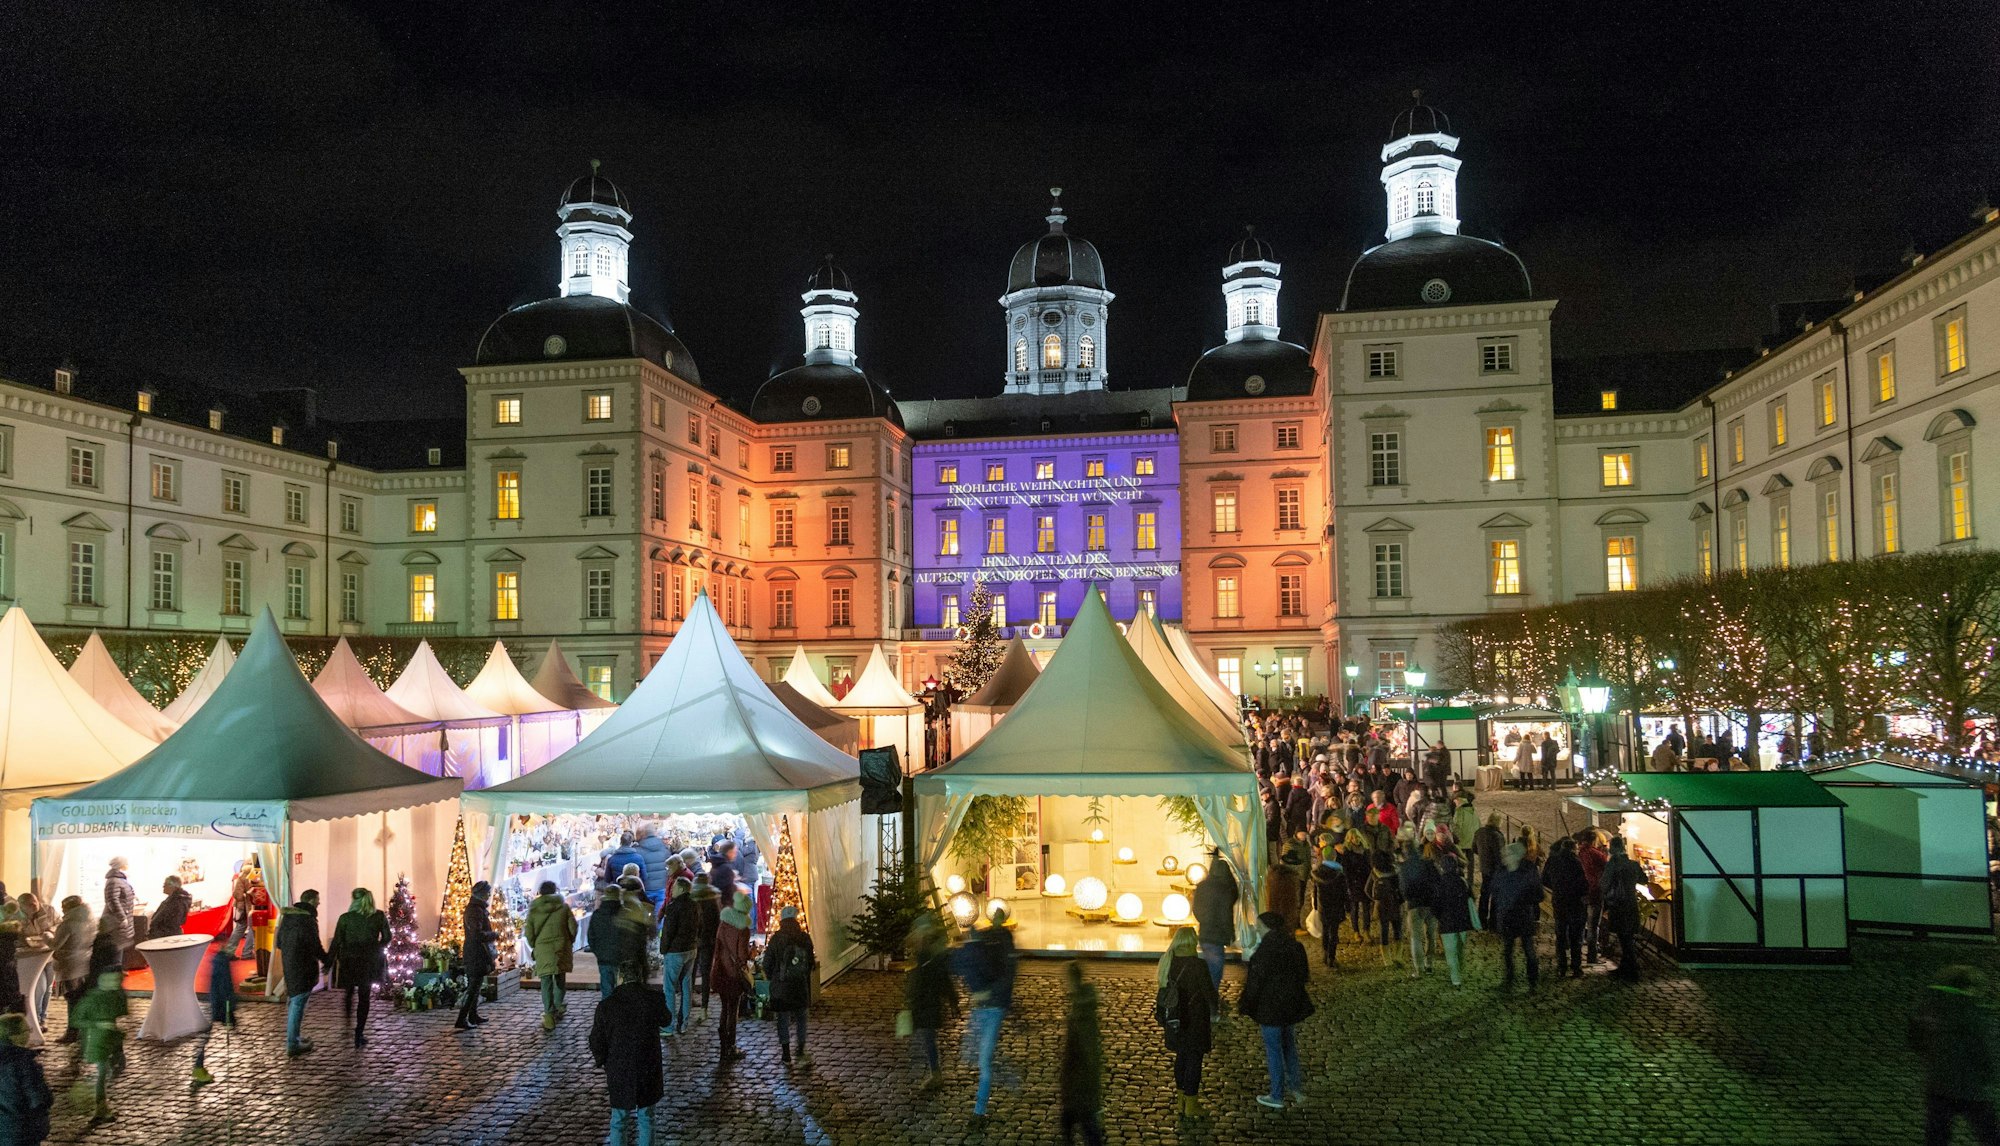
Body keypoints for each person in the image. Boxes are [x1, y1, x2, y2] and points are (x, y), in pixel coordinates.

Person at [1909, 964, 2000, 1145]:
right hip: (1971, 1088)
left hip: (1938, 1085)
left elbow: (1915, 1039)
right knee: (1990, 1134)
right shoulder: (1974, 1015)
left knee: (1937, 1136)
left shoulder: (1929, 1009)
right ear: (1969, 988)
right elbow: (1985, 1050)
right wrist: (1988, 1076)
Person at [1239, 910, 1313, 1111]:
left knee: (1274, 1050)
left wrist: (1246, 1005)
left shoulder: (1264, 952)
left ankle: (1277, 1095)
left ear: (1266, 927)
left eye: (1259, 926)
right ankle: (1296, 1089)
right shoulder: (1294, 946)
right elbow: (1304, 975)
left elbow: (1255, 983)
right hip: (1290, 1006)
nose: (1256, 929)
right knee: (1289, 1047)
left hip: (1270, 1008)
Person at [590, 964, 669, 1146]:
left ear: (620, 978)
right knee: (647, 1117)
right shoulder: (653, 999)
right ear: (639, 977)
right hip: (648, 1066)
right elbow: (667, 1020)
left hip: (619, 1068)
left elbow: (596, 1040)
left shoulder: (607, 1006)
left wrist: (603, 1061)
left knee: (619, 1119)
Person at [955, 905, 1018, 1125]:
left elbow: (1006, 973)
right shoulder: (996, 939)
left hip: (992, 1007)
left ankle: (979, 1110)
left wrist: (989, 992)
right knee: (974, 1055)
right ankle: (995, 1073)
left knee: (982, 1059)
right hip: (987, 1005)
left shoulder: (998, 940)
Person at [1155, 926, 1218, 1120]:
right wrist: (1216, 1009)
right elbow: (1209, 993)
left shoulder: (1168, 961)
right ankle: (1191, 1104)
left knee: (1181, 1057)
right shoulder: (1198, 965)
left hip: (1175, 1021)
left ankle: (1181, 1101)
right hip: (1195, 1021)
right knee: (1194, 1060)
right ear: (1192, 942)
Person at [329, 887, 389, 1047]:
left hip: (349, 959)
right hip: (369, 960)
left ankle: (347, 1022)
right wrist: (376, 947)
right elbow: (387, 937)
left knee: (349, 993)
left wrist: (328, 961)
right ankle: (359, 1032)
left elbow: (337, 941)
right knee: (364, 996)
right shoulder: (378, 916)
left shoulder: (345, 918)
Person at [903, 914, 957, 1090]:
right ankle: (934, 1072)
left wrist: (953, 1001)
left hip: (927, 1004)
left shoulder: (929, 956)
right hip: (923, 1003)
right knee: (926, 1040)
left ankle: (935, 1074)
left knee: (927, 1039)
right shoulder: (925, 954)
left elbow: (941, 979)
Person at [275, 888, 329, 1055]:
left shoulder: (288, 918)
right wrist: (327, 960)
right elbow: (315, 946)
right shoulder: (307, 920)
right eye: (317, 899)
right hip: (303, 967)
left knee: (294, 1001)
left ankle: (295, 1037)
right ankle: (292, 1043)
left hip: (290, 964)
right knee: (298, 1004)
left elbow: (279, 942)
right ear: (311, 901)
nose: (319, 903)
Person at [763, 904, 816, 1068]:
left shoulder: (776, 939)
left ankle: (786, 1054)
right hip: (799, 985)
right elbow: (811, 962)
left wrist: (774, 977)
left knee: (783, 1019)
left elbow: (767, 963)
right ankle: (800, 1049)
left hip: (781, 987)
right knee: (801, 1017)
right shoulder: (804, 938)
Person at [1058, 961, 1105, 1146]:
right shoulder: (1081, 1005)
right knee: (1071, 1121)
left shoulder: (1081, 1012)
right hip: (1078, 1079)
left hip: (1080, 1080)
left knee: (1083, 1123)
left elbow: (1087, 1048)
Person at [72, 968, 126, 1123]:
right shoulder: (91, 999)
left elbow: (120, 1017)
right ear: (102, 981)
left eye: (117, 980)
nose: (115, 983)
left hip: (112, 1042)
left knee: (107, 1072)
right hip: (96, 1042)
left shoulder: (117, 995)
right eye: (111, 980)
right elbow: (76, 1020)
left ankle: (102, 1107)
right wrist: (98, 1024)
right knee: (103, 1073)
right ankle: (100, 1108)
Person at [1491, 842, 1544, 991]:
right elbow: (1494, 891)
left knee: (1528, 950)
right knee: (1507, 951)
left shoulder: (1528, 871)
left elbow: (1539, 894)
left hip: (1523, 915)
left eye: (1508, 854)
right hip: (1506, 916)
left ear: (1517, 856)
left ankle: (1533, 981)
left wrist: (1523, 900)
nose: (1504, 857)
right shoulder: (1501, 871)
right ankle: (1508, 980)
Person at [525, 880, 576, 1031]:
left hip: (543, 948)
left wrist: (535, 945)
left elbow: (529, 932)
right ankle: (559, 1005)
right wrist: (569, 941)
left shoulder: (534, 910)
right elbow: (573, 927)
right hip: (561, 946)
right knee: (560, 977)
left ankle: (548, 1015)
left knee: (546, 981)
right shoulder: (563, 907)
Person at [712, 889, 754, 1062]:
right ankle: (731, 1046)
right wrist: (751, 953)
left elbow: (717, 948)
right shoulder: (742, 928)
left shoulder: (723, 923)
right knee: (733, 1011)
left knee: (724, 1008)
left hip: (720, 971)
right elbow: (742, 955)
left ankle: (723, 1046)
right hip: (733, 975)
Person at [190, 934, 237, 1087]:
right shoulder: (222, 961)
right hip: (217, 1003)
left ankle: (198, 1067)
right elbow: (225, 985)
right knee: (205, 1036)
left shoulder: (216, 959)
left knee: (205, 1036)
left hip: (212, 1001)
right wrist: (229, 1007)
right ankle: (198, 1067)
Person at [0, 1011, 53, 1144]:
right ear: (14, 1036)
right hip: (19, 1130)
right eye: (27, 1030)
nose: (29, 1033)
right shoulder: (23, 1062)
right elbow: (38, 1098)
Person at [1189, 850, 1237, 993]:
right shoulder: (1225, 889)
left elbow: (1196, 909)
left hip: (1206, 932)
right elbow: (1226, 912)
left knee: (1210, 967)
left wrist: (1204, 920)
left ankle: (1208, 995)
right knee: (1215, 969)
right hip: (1218, 934)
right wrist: (1230, 932)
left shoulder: (1202, 886)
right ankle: (1210, 997)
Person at [1542, 837, 1589, 978]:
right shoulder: (1577, 862)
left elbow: (1544, 879)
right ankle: (1576, 967)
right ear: (1573, 849)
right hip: (1575, 903)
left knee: (1561, 935)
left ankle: (1561, 967)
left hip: (1559, 901)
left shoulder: (1553, 860)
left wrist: (1556, 888)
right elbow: (1584, 884)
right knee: (1576, 937)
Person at [1601, 837, 1646, 982]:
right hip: (1631, 904)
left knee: (1624, 938)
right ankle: (1625, 967)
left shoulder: (1612, 865)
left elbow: (1604, 884)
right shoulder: (1633, 864)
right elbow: (1644, 879)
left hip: (1618, 904)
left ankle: (1632, 971)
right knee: (1627, 937)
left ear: (1612, 848)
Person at [656, 877, 697, 1036]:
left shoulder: (674, 907)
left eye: (674, 887)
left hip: (675, 951)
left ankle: (669, 1026)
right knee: (686, 987)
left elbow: (668, 932)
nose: (672, 890)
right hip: (690, 949)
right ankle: (684, 1023)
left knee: (669, 988)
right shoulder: (694, 905)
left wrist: (663, 949)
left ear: (681, 889)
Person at [455, 881, 498, 1032]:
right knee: (473, 987)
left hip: (478, 952)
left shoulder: (477, 908)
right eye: (487, 892)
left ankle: (473, 1015)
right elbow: (476, 934)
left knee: (477, 985)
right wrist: (493, 935)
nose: (489, 895)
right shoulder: (475, 910)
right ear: (481, 894)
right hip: (475, 953)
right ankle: (462, 1018)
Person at [50, 896, 92, 1045]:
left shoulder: (68, 924)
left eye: (63, 907)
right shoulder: (89, 920)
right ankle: (82, 1030)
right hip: (84, 963)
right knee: (79, 999)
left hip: (69, 965)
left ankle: (72, 1032)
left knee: (72, 1000)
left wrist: (46, 935)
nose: (62, 910)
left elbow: (55, 944)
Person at [1433, 852, 1476, 987]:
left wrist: (1439, 917)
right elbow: (1471, 898)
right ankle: (1461, 968)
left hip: (1446, 923)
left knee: (1450, 951)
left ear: (1442, 867)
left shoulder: (1439, 884)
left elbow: (1435, 905)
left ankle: (1455, 978)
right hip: (1462, 921)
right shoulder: (1462, 882)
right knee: (1460, 947)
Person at [1399, 840, 1439, 978]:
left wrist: (1408, 898)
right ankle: (1429, 964)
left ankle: (1419, 969)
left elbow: (1404, 889)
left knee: (1416, 938)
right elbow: (1437, 881)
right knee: (1431, 935)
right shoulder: (1428, 864)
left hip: (1414, 905)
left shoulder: (1404, 867)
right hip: (1431, 903)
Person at [1309, 846, 1347, 969]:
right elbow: (1344, 893)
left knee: (1325, 930)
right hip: (1336, 906)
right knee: (1334, 932)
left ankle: (1325, 954)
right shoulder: (1339, 873)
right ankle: (1332, 957)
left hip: (1323, 906)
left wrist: (1316, 906)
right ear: (1334, 857)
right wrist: (1347, 906)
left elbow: (1315, 891)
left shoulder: (1317, 873)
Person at [690, 874, 721, 1024]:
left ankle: (688, 1001)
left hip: (693, 940)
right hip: (708, 941)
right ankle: (704, 1007)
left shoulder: (691, 897)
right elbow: (717, 921)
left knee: (690, 972)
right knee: (705, 974)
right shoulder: (712, 898)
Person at [1576, 830, 1609, 965]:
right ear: (1594, 840)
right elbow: (1607, 869)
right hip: (1595, 892)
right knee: (1593, 926)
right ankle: (1592, 955)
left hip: (1582, 892)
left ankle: (1577, 955)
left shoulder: (1579, 854)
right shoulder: (1597, 854)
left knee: (1582, 924)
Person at [586, 890, 626, 1002]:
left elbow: (591, 936)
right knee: (621, 988)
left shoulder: (597, 914)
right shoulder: (624, 913)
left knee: (606, 989)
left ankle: (607, 1009)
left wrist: (598, 952)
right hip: (620, 957)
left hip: (603, 958)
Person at [1472, 813, 1506, 927]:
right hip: (1496, 869)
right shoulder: (1497, 836)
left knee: (1484, 894)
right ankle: (1493, 921)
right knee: (1496, 895)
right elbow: (1500, 855)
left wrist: (1483, 856)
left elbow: (1474, 848)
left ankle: (1482, 919)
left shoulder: (1479, 832)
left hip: (1484, 867)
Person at [1368, 848, 1403, 950]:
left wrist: (1375, 899)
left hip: (1381, 905)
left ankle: (1386, 957)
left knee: (1384, 929)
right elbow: (1401, 888)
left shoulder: (1374, 872)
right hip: (1395, 903)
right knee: (1397, 929)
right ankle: (1398, 954)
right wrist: (1400, 900)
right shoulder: (1395, 871)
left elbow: (1367, 889)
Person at [101, 859, 135, 962]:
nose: (127, 865)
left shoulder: (120, 879)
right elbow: (112, 900)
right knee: (115, 950)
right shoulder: (114, 881)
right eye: (126, 863)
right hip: (116, 921)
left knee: (119, 947)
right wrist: (122, 917)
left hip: (121, 919)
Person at [225, 859, 260, 959]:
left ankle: (229, 952)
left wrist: (244, 897)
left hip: (241, 907)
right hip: (251, 907)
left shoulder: (242, 876)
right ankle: (247, 952)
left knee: (239, 928)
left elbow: (237, 894)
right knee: (252, 929)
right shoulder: (256, 876)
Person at [633, 822, 672, 911]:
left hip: (645, 888)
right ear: (655, 833)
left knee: (645, 914)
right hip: (662, 887)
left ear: (644, 834)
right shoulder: (664, 848)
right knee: (659, 914)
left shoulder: (638, 849)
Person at [146, 874, 192, 939]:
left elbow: (173, 923)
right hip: (165, 935)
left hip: (167, 936)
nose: (163, 886)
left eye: (165, 884)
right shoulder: (175, 899)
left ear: (172, 886)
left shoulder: (177, 901)